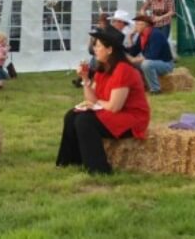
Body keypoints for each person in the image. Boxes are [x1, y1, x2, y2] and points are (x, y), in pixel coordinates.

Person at [56, 26, 150, 175]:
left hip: (131, 118)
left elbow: (114, 107)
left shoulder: (123, 70)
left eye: (98, 45)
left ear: (110, 50)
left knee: (85, 121)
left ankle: (99, 170)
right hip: (112, 111)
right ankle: (70, 162)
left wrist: (95, 105)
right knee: (72, 115)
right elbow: (92, 99)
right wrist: (85, 79)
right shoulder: (103, 69)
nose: (94, 49)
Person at [127, 15, 174, 94]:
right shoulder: (141, 36)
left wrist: (134, 59)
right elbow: (133, 52)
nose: (135, 27)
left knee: (146, 64)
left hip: (165, 64)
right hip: (153, 62)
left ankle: (155, 89)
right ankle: (141, 85)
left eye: (137, 24)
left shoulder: (155, 34)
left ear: (144, 25)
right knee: (129, 62)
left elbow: (152, 55)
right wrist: (130, 38)